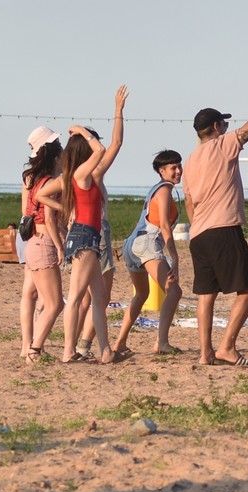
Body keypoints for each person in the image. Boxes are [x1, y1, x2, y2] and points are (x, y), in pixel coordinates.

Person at [183, 59, 248, 366]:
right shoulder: (223, 145)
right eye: (224, 124)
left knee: (207, 295)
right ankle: (226, 345)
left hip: (199, 234)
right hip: (223, 229)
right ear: (216, 128)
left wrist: (198, 224)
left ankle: (205, 353)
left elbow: (189, 202)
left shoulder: (190, 160)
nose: (228, 128)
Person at [38, 86, 128, 364]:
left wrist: (118, 111)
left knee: (99, 299)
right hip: (84, 238)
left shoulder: (71, 177)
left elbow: (42, 196)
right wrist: (82, 130)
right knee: (76, 298)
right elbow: (101, 148)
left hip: (85, 236)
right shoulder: (80, 173)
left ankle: (105, 351)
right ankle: (68, 351)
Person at [114, 150, 184, 357]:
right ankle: (161, 342)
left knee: (142, 294)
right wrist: (175, 257)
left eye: (179, 166)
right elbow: (163, 225)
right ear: (162, 171)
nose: (178, 171)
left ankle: (120, 343)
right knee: (174, 291)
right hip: (146, 244)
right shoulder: (163, 190)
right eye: (173, 168)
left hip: (132, 245)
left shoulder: (158, 189)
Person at [19, 127, 64, 362]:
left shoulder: (31, 178)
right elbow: (47, 217)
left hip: (31, 240)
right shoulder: (50, 181)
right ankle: (34, 350)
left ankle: (30, 346)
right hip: (43, 241)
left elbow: (25, 210)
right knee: (54, 302)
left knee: (36, 296)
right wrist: (60, 245)